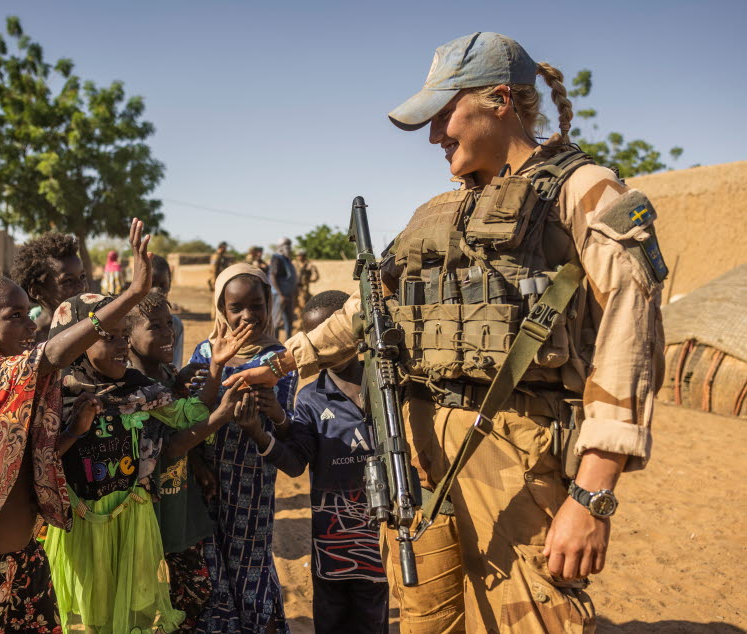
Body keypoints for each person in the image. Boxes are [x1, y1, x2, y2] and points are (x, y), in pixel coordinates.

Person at [227, 31, 666, 634]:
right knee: (426, 622)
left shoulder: (585, 190)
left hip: (516, 454)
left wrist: (592, 496)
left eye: (445, 115)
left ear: (500, 101)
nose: (435, 135)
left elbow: (631, 335)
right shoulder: (438, 211)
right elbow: (367, 309)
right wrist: (282, 362)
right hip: (421, 461)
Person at [0, 219, 158, 632]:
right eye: (14, 316)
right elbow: (48, 356)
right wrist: (132, 295)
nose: (30, 325)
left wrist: (71, 432)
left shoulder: (9, 374)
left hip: (28, 557)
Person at [44, 290, 251, 633]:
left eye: (124, 336)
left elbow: (189, 415)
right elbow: (43, 460)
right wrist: (76, 429)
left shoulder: (139, 389)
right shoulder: (55, 395)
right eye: (110, 337)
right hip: (80, 525)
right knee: (90, 613)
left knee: (134, 609)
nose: (122, 346)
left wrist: (215, 368)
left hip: (131, 520)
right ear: (77, 338)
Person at [238, 290, 390, 634]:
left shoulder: (385, 387)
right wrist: (260, 433)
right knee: (331, 619)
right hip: (332, 543)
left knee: (373, 619)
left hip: (380, 537)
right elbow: (295, 463)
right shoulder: (309, 398)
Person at [188, 263, 298, 633]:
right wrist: (197, 466)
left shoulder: (281, 359)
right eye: (236, 308)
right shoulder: (204, 353)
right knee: (210, 560)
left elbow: (290, 433)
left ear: (270, 304)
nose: (248, 315)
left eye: (257, 305)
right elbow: (189, 417)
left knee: (251, 561)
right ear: (222, 309)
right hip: (206, 479)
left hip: (253, 481)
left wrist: (274, 414)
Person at [10, 231, 87, 343]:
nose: (82, 286)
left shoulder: (89, 322)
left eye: (82, 276)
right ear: (37, 291)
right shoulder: (33, 338)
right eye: (68, 281)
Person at [151, 253, 187, 367]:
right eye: (151, 284)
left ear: (169, 285)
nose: (157, 291)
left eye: (162, 285)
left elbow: (175, 365)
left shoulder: (175, 325)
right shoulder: (128, 321)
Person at [268, 237, 297, 339]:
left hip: (288, 295)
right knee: (276, 320)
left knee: (288, 320)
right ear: (280, 248)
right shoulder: (276, 259)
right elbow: (272, 276)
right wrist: (280, 294)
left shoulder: (286, 260)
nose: (289, 249)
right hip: (279, 295)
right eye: (286, 247)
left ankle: (288, 343)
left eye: (290, 246)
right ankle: (275, 344)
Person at [293, 248, 319, 317]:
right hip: (294, 287)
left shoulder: (309, 265)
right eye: (297, 255)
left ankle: (303, 319)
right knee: (295, 303)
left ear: (304, 256)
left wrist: (309, 280)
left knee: (303, 302)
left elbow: (316, 276)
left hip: (304, 287)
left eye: (300, 255)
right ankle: (299, 317)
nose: (298, 257)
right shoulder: (294, 264)